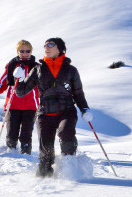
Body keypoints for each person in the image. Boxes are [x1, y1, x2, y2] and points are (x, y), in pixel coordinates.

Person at [14, 37, 92, 177]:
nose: (46, 47)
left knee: (65, 132)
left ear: (60, 49)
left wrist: (84, 109)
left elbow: (78, 93)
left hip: (66, 110)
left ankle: (70, 166)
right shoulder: (38, 69)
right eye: (45, 45)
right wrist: (18, 80)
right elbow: (21, 92)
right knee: (45, 152)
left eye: (50, 44)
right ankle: (44, 179)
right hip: (45, 113)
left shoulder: (71, 70)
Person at [0, 39, 39, 154]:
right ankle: (11, 153)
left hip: (30, 106)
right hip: (13, 105)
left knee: (26, 134)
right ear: (17, 52)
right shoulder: (12, 66)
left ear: (31, 51)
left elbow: (43, 85)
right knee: (11, 133)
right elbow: (3, 82)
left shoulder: (36, 67)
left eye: (28, 51)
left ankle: (26, 155)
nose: (25, 53)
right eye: (22, 51)